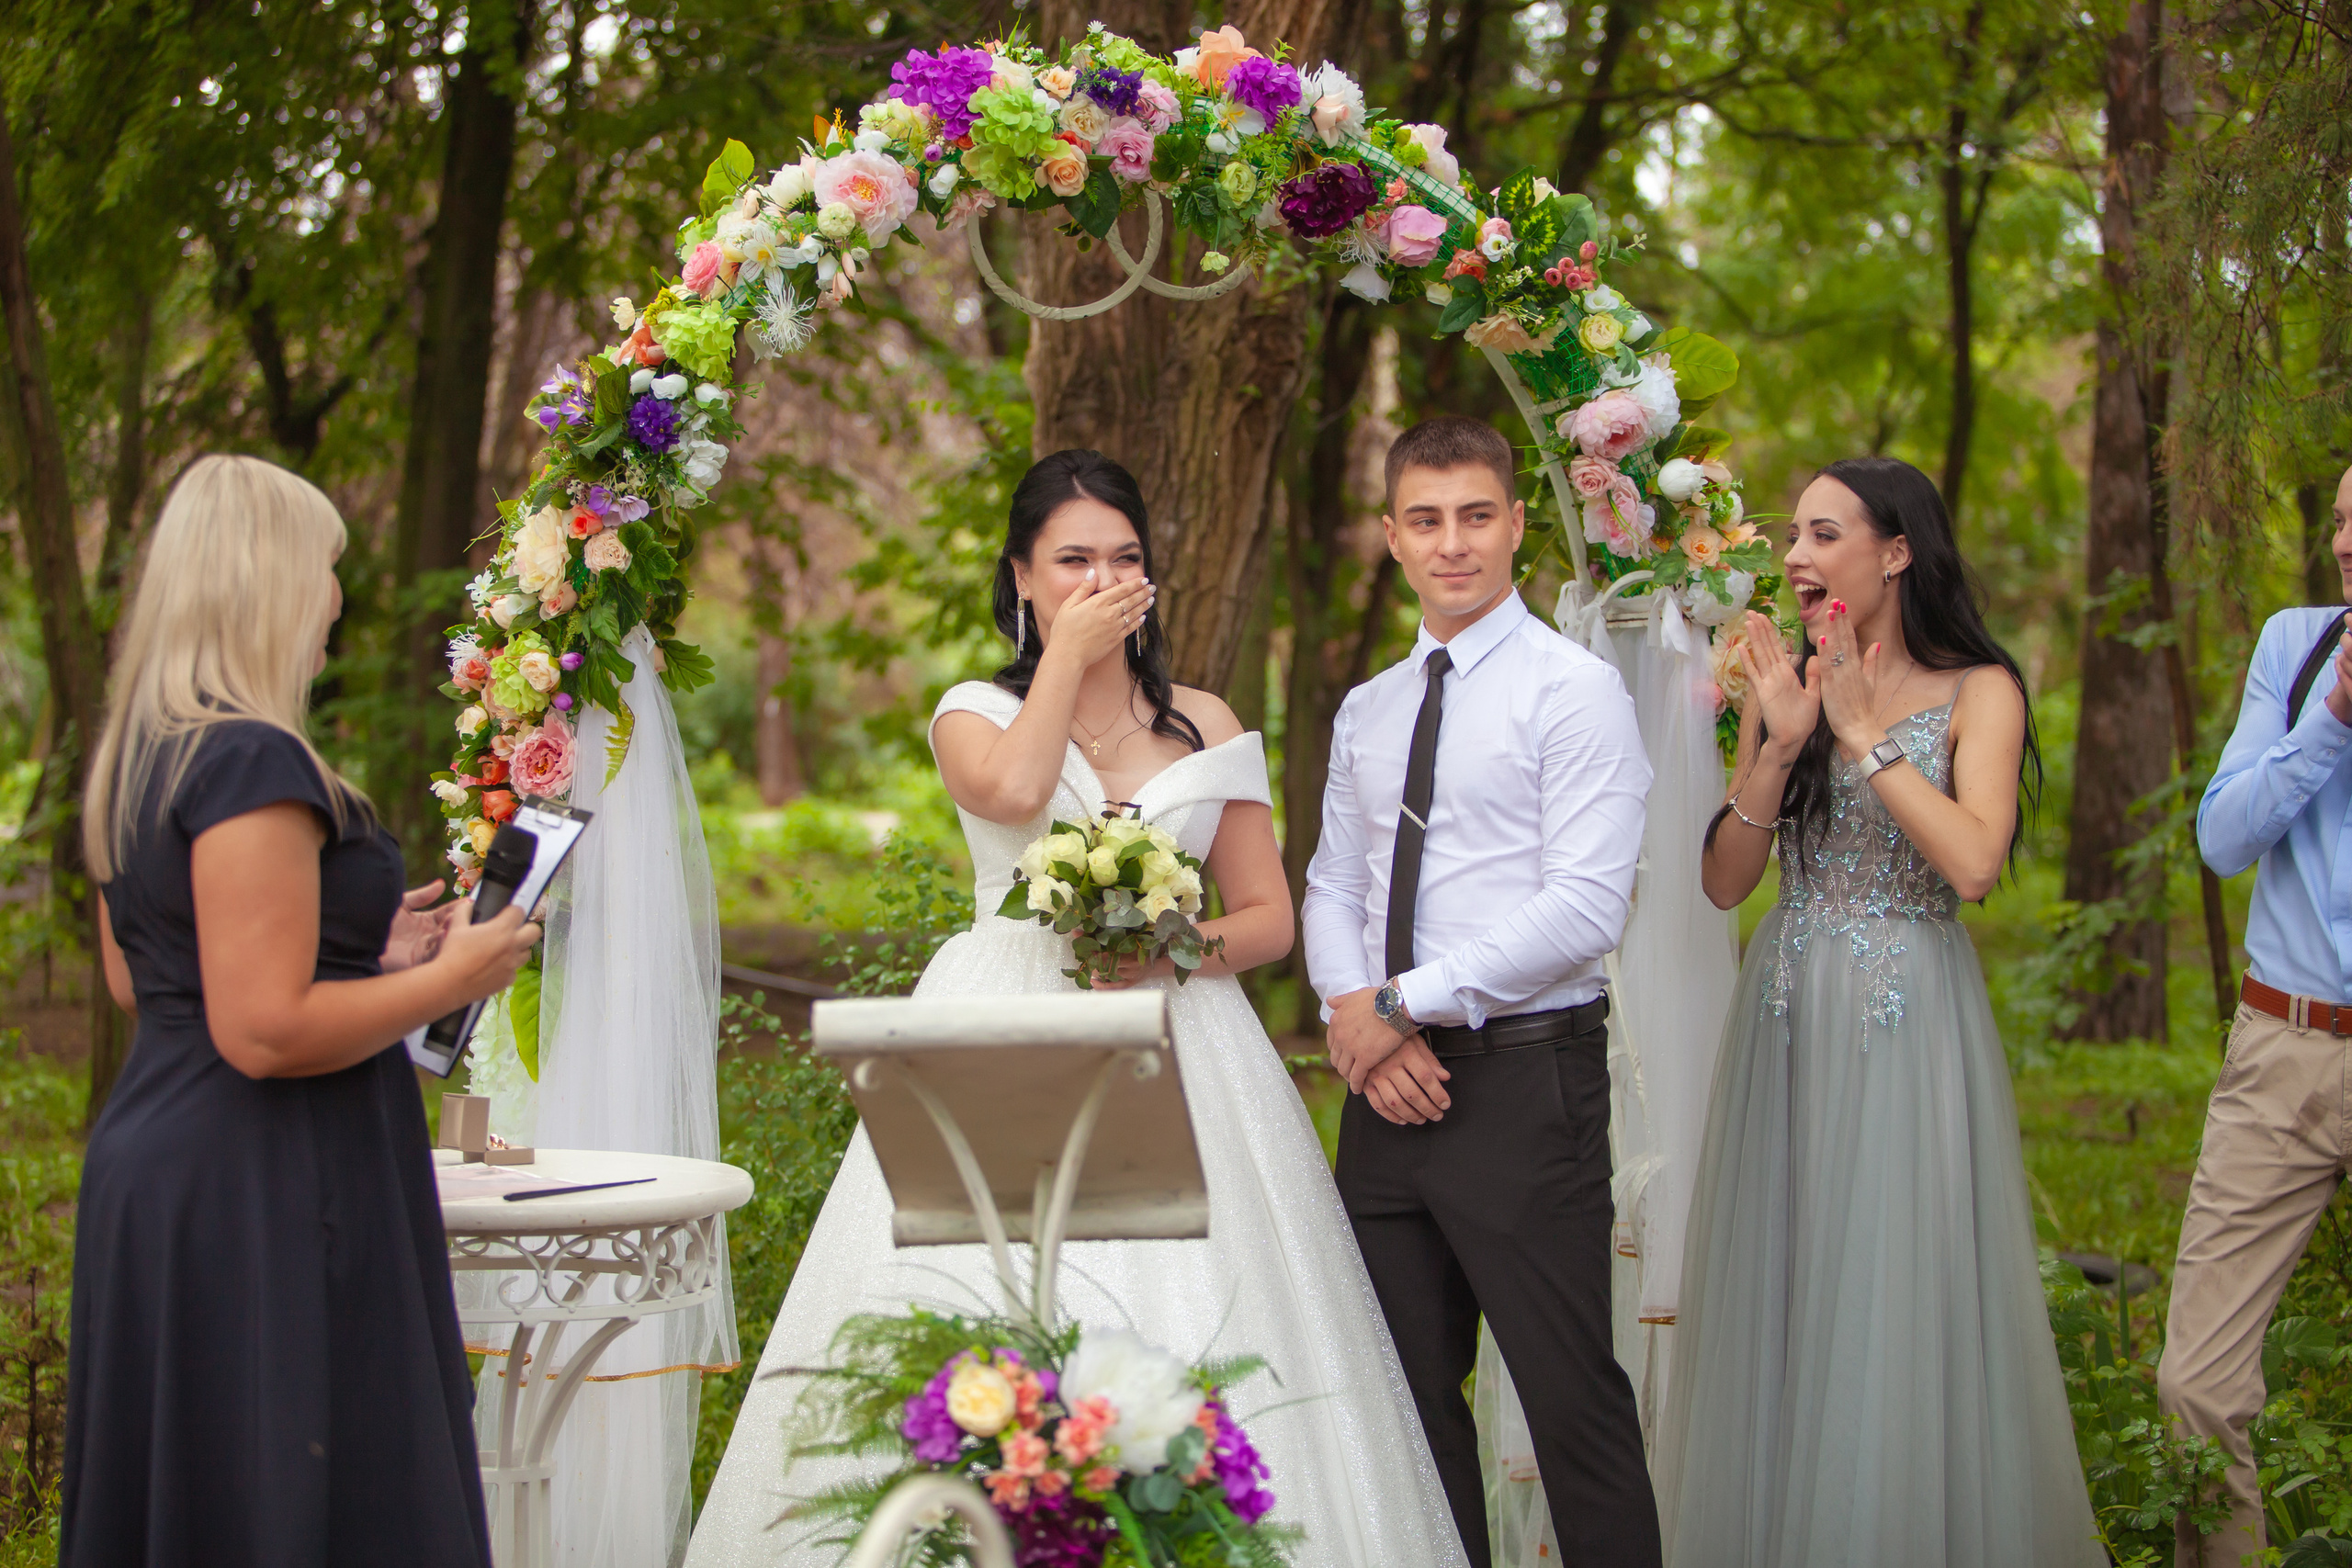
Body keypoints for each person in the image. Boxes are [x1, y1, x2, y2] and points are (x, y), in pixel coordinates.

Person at [688, 450, 1467, 1566]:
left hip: (1181, 1043)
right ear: (1020, 578)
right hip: (1003, 1032)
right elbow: (1009, 793)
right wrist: (1065, 660)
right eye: (1071, 560)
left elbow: (1266, 917)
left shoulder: (1203, 719)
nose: (1101, 578)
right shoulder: (972, 708)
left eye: (1123, 557)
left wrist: (1171, 946)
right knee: (994, 1298)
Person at [61, 455, 542, 1567]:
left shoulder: (140, 760)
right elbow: (262, 1029)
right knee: (294, 1499)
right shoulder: (250, 758)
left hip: (169, 1171)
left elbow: (151, 981)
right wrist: (453, 977)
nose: (336, 597)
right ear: (271, 582)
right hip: (261, 1181)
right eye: (327, 568)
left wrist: (362, 954)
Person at [1654, 456, 2100, 1567]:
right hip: (1786, 1010)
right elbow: (1720, 883)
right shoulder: (1791, 683)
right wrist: (1785, 743)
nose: (1794, 557)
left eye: (1821, 533)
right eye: (1791, 536)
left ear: (1894, 553)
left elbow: (1975, 862)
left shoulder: (1978, 689)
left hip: (1904, 1019)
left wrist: (1863, 739)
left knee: (1891, 1284)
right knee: (1787, 1274)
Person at [1301, 415, 1660, 1568]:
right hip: (1382, 1097)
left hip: (1523, 1086)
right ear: (1392, 538)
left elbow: (1583, 909)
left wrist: (1397, 1001)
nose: (1450, 543)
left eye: (1473, 516)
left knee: (1572, 1408)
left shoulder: (1575, 692)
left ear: (1515, 526)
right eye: (1424, 519)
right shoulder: (1369, 708)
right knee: (1403, 1411)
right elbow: (1331, 883)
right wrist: (1351, 1014)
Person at [2165, 461, 2352, 1568]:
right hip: (2279, 1052)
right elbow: (2221, 837)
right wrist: (2329, 719)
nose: (2345, 544)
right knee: (2194, 1386)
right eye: (2337, 520)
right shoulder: (2295, 646)